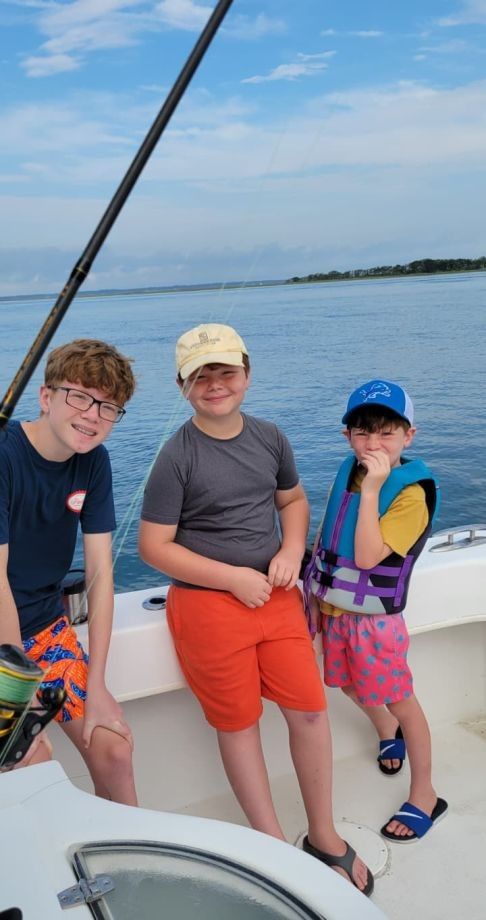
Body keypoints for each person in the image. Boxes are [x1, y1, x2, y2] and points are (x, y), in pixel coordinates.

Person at [139, 323, 373, 896]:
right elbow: (154, 545)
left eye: (225, 370)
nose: (214, 383)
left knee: (310, 712)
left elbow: (291, 500)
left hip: (277, 600)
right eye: (200, 374)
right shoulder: (175, 457)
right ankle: (271, 849)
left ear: (246, 375)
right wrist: (231, 579)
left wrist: (293, 549)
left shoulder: (270, 437)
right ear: (182, 385)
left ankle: (324, 835)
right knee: (239, 726)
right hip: (208, 609)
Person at [304, 379, 447, 842]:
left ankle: (425, 793)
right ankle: (386, 728)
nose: (373, 444)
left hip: (374, 623)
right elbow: (329, 530)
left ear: (410, 435)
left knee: (403, 701)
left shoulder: (409, 493)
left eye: (387, 432)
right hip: (333, 609)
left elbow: (367, 557)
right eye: (363, 432)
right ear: (347, 437)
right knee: (346, 683)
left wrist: (373, 490)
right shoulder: (348, 470)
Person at [0, 338, 138, 805]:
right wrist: (17, 692)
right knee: (30, 760)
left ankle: (131, 862)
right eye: (79, 396)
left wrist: (95, 684)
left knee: (114, 746)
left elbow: (100, 571)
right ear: (46, 397)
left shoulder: (94, 462)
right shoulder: (4, 454)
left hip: (44, 627)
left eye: (109, 407)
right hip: (4, 640)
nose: (93, 415)